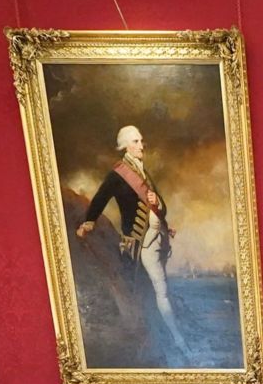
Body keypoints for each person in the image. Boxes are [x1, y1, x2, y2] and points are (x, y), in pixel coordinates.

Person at [75, 125, 190, 360]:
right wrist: (89, 221)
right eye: (136, 142)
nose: (141, 146)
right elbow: (100, 198)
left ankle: (166, 336)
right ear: (126, 145)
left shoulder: (143, 173)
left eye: (141, 141)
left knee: (158, 289)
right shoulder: (118, 174)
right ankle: (178, 339)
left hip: (158, 237)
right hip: (140, 240)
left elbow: (162, 208)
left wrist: (156, 201)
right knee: (160, 290)